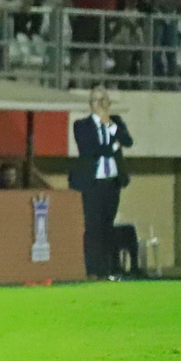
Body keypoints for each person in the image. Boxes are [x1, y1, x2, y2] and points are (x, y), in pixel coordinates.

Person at [70, 87, 132, 279]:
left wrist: (110, 125)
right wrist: (113, 146)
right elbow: (90, 150)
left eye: (103, 100)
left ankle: (107, 269)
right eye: (96, 100)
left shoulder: (117, 122)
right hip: (92, 183)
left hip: (112, 182)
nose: (100, 104)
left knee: (107, 226)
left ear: (109, 103)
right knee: (93, 227)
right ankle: (93, 269)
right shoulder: (82, 125)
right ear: (91, 104)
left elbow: (127, 141)